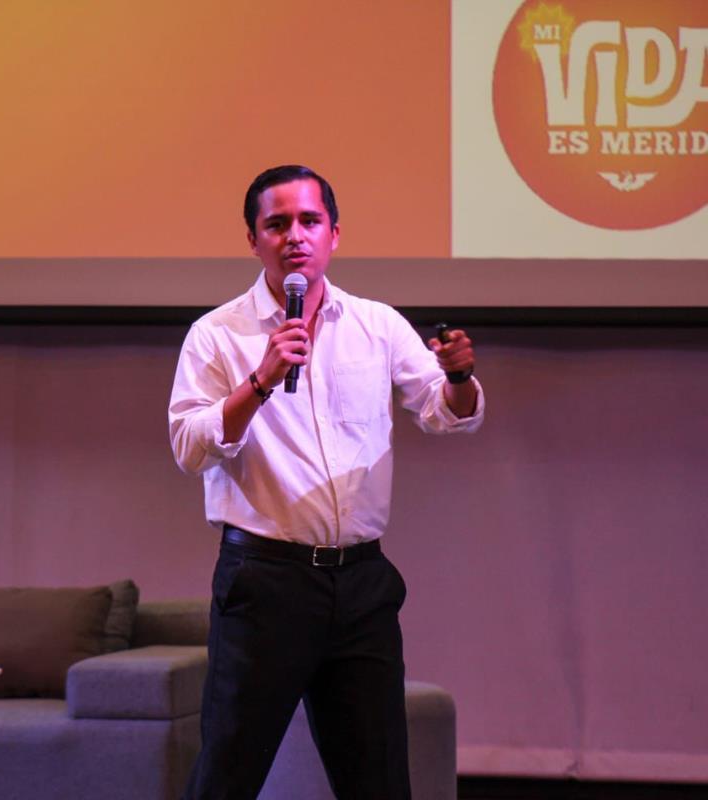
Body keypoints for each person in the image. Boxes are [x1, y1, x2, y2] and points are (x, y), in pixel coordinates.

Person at [168, 164, 484, 799]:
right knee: (228, 773)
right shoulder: (217, 334)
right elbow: (189, 447)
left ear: (335, 234)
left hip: (362, 586)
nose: (295, 236)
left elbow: (443, 413)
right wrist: (257, 382)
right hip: (266, 585)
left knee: (378, 779)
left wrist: (456, 378)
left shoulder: (377, 325)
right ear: (253, 239)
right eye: (276, 223)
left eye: (309, 221)